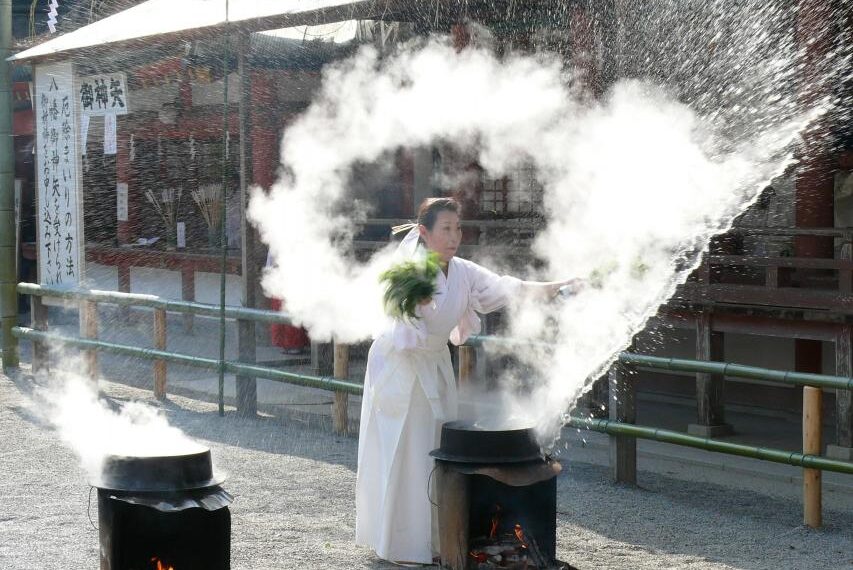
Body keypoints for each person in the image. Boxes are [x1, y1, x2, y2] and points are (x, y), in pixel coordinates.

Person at [355, 197, 575, 566]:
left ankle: (440, 538)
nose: (455, 236)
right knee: (407, 449)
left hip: (436, 363)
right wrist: (417, 305)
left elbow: (509, 287)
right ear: (424, 232)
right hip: (402, 366)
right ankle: (399, 544)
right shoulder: (409, 270)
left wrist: (559, 285)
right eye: (446, 229)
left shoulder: (462, 271)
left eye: (458, 228)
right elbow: (396, 316)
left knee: (439, 447)